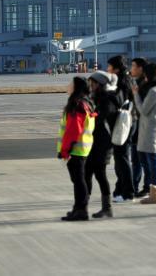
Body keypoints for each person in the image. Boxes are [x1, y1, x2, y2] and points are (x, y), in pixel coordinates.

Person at [57, 76, 95, 221]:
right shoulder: (86, 102)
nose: (68, 86)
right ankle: (78, 208)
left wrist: (65, 150)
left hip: (76, 149)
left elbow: (73, 130)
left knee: (79, 181)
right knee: (79, 181)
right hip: (82, 148)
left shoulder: (77, 104)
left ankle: (81, 210)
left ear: (76, 87)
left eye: (70, 84)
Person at [132, 61, 156, 204]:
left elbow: (143, 110)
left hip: (150, 130)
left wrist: (136, 95)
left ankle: (154, 194)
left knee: (153, 162)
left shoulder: (154, 91)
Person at [85, 71, 120, 217]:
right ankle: (83, 206)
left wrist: (89, 114)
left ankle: (107, 208)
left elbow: (100, 119)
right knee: (87, 173)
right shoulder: (97, 98)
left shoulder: (108, 100)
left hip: (103, 144)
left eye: (93, 83)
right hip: (94, 143)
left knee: (99, 174)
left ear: (100, 84)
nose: (90, 85)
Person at [107, 55, 135, 203]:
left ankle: (128, 193)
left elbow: (118, 101)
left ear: (116, 68)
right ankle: (120, 190)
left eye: (109, 67)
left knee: (122, 159)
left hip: (123, 124)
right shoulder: (126, 79)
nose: (108, 69)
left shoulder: (121, 82)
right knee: (121, 159)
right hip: (127, 123)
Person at [126, 57, 148, 199]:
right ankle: (134, 186)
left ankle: (145, 187)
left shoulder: (144, 85)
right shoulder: (135, 82)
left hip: (142, 126)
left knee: (143, 159)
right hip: (135, 125)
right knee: (136, 159)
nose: (131, 69)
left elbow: (142, 107)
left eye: (133, 66)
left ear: (140, 68)